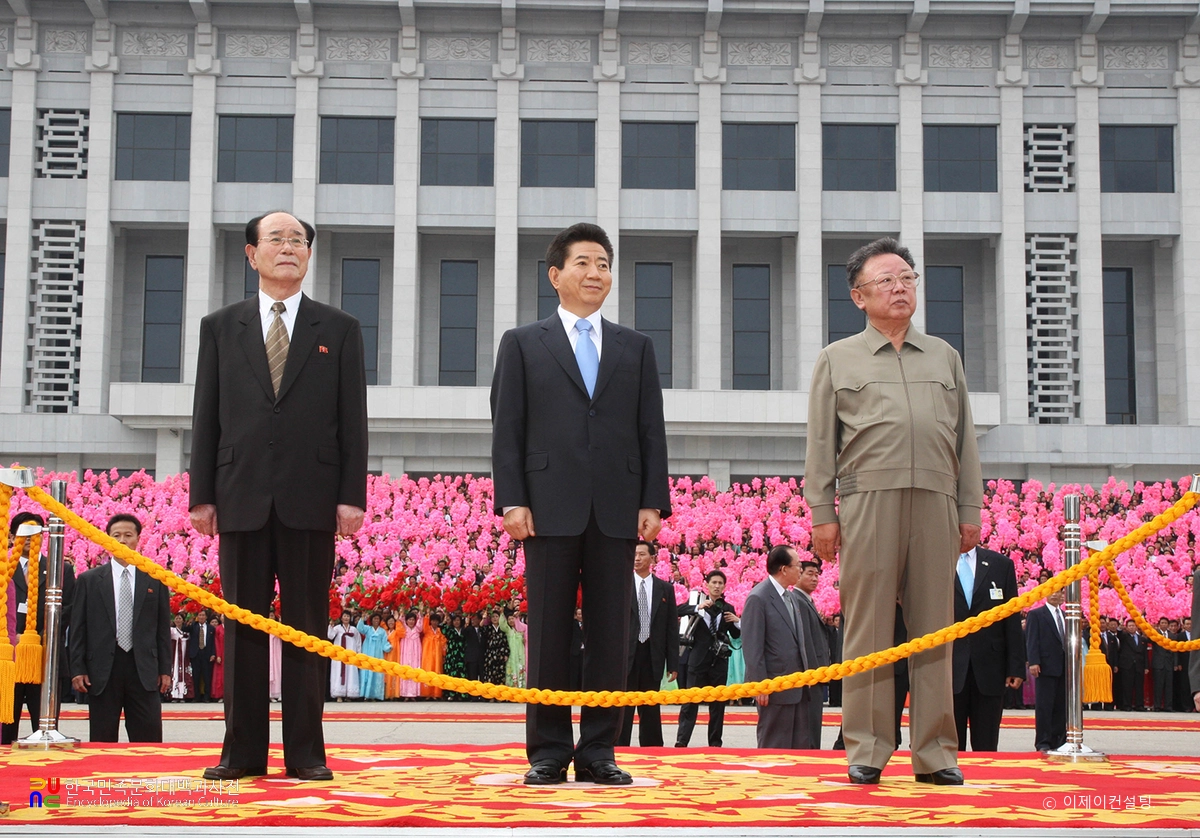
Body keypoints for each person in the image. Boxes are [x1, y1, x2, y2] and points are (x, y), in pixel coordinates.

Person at [490, 222, 671, 786]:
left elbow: (651, 429)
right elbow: (507, 428)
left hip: (617, 507)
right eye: (584, 263)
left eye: (604, 265)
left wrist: (653, 499)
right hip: (547, 508)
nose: (596, 274)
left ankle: (599, 749)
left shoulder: (635, 347)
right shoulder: (523, 343)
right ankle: (547, 750)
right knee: (548, 633)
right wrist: (512, 499)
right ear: (556, 275)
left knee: (611, 636)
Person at [190, 210, 368, 781]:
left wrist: (351, 496)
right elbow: (206, 416)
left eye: (299, 240)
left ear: (309, 254)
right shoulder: (221, 327)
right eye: (277, 239)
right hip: (239, 496)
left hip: (310, 499)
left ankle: (306, 754)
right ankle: (241, 753)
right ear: (252, 254)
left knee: (307, 628)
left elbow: (353, 420)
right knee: (242, 628)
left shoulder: (338, 328)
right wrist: (202, 494)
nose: (288, 247)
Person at [805, 237, 982, 786]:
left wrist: (969, 507)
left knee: (935, 629)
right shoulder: (837, 358)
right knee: (869, 627)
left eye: (907, 278)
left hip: (936, 500)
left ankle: (936, 752)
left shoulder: (944, 356)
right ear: (858, 296)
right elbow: (821, 444)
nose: (900, 288)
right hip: (867, 501)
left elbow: (965, 439)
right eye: (886, 280)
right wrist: (822, 511)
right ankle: (867, 746)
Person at [68, 514, 172, 743]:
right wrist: (77, 669)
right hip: (102, 670)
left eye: (128, 535)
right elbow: (78, 628)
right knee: (102, 739)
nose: (122, 540)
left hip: (143, 668)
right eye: (116, 535)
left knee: (148, 739)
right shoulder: (89, 580)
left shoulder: (155, 578)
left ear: (138, 539)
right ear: (107, 539)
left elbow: (162, 629)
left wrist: (165, 669)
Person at [3, 512, 75, 745]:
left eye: (34, 534)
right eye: (23, 534)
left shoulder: (60, 569)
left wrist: (40, 639)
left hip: (46, 657)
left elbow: (67, 609)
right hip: (10, 657)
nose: (29, 539)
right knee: (6, 725)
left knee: (45, 727)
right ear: (12, 537)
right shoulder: (4, 569)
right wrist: (13, 638)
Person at [952, 546, 1024, 751]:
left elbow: (1012, 619)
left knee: (986, 743)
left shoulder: (1000, 565)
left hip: (990, 667)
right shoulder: (936, 562)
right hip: (948, 666)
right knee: (950, 744)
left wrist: (1015, 666)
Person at [741, 545, 811, 749]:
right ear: (783, 569)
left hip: (797, 684)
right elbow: (752, 647)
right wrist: (760, 684)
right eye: (797, 565)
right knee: (774, 746)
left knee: (798, 748)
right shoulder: (759, 598)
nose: (800, 569)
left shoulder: (791, 597)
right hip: (774, 687)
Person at [617, 541, 679, 747]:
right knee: (624, 704)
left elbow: (671, 627)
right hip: (627, 654)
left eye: (642, 554)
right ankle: (619, 746)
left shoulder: (665, 589)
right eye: (634, 554)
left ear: (652, 559)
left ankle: (652, 747)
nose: (637, 558)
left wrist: (673, 663)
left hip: (653, 654)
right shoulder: (622, 586)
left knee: (650, 705)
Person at [675, 570, 741, 748]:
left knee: (718, 705)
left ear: (724, 586)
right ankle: (682, 741)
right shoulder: (697, 603)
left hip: (719, 661)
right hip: (697, 661)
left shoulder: (728, 608)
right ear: (707, 585)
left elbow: (736, 635)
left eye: (720, 583)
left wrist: (737, 621)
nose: (717, 586)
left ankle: (715, 743)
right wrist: (697, 608)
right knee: (690, 702)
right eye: (714, 583)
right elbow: (677, 610)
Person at [794, 559, 831, 748]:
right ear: (798, 575)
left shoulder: (807, 601)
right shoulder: (798, 601)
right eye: (810, 573)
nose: (815, 578)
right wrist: (811, 673)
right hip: (810, 675)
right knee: (809, 727)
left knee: (814, 724)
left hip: (817, 674)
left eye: (817, 575)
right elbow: (805, 642)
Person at [1026, 590, 1068, 752]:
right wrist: (1034, 661)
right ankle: (1043, 741)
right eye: (1052, 592)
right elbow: (1032, 639)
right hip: (1045, 666)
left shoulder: (1066, 616)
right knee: (1045, 706)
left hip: (1064, 667)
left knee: (1061, 706)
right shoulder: (1036, 614)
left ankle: (1059, 740)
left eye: (1059, 592)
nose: (1056, 595)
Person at [358, 613, 392, 701]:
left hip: (378, 654)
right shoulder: (368, 629)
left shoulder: (382, 631)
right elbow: (360, 628)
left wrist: (389, 647)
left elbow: (384, 642)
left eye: (377, 619)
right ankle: (365, 694)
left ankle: (375, 695)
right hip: (367, 652)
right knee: (366, 671)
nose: (376, 620)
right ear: (371, 620)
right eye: (374, 618)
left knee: (377, 672)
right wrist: (362, 618)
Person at [328, 611, 361, 701]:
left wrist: (358, 653)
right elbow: (330, 636)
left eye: (348, 616)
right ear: (341, 618)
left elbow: (358, 642)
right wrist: (331, 625)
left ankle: (349, 695)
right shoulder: (337, 628)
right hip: (339, 655)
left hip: (351, 654)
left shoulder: (353, 629)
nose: (346, 618)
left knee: (351, 673)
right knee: (339, 673)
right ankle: (339, 695)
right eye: (344, 616)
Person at [1117, 619, 1146, 711]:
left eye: (1133, 626)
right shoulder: (1124, 637)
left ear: (1136, 627)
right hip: (1127, 665)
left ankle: (1139, 705)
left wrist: (1146, 666)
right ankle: (1127, 705)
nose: (1131, 627)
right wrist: (1120, 627)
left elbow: (1144, 653)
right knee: (1127, 686)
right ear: (1126, 627)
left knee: (1139, 686)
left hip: (1139, 665)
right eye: (1129, 626)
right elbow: (1119, 634)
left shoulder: (1141, 639)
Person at [420, 611, 449, 698]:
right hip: (427, 655)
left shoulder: (440, 631)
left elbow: (443, 643)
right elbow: (424, 625)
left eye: (436, 621)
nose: (434, 622)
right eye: (433, 620)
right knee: (428, 671)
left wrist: (444, 654)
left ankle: (435, 693)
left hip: (437, 655)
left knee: (436, 671)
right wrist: (426, 614)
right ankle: (427, 693)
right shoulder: (427, 630)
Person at [396, 611, 425, 699]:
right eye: (409, 619)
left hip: (415, 652)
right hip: (405, 652)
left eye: (413, 620)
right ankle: (405, 693)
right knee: (405, 668)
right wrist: (402, 611)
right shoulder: (404, 628)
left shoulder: (417, 629)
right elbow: (400, 620)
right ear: (406, 621)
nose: (411, 621)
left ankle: (414, 694)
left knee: (415, 669)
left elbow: (421, 621)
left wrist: (421, 612)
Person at [188, 610, 214, 702]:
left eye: (203, 615)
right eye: (200, 615)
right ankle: (197, 696)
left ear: (206, 617)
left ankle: (207, 696)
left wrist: (213, 654)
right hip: (196, 654)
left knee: (207, 676)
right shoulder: (193, 626)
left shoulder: (211, 628)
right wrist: (190, 620)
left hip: (207, 654)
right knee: (196, 676)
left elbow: (213, 642)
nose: (201, 617)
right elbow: (184, 628)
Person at [1150, 617, 1174, 711]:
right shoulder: (1155, 634)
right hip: (1158, 664)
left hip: (1169, 664)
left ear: (1168, 625)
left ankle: (1168, 706)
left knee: (1169, 687)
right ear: (1159, 624)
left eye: (1165, 623)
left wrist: (1175, 664)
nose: (1164, 624)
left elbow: (1175, 651)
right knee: (1158, 686)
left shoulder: (1172, 635)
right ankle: (1157, 706)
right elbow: (1148, 639)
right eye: (1162, 623)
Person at [169, 614, 194, 701]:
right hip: (175, 656)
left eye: (180, 618)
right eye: (176, 618)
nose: (178, 620)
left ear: (183, 620)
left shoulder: (187, 631)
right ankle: (174, 694)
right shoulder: (172, 630)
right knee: (175, 673)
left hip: (184, 656)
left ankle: (183, 694)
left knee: (184, 673)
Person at [443, 614, 467, 700]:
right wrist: (446, 621)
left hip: (461, 655)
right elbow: (443, 628)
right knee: (451, 674)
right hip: (452, 655)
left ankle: (461, 694)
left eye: (458, 620)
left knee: (461, 674)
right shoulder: (449, 630)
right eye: (455, 620)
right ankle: (451, 694)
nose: (456, 622)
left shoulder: (464, 630)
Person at [483, 611, 509, 687]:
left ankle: (500, 693)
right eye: (493, 617)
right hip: (490, 655)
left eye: (496, 616)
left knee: (500, 675)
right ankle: (490, 693)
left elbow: (505, 642)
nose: (495, 618)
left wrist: (506, 654)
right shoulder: (488, 628)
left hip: (500, 655)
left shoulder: (502, 629)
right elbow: (481, 630)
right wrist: (484, 618)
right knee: (490, 675)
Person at [384, 615, 404, 700]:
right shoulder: (385, 632)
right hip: (386, 654)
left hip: (395, 653)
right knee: (386, 673)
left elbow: (402, 633)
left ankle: (394, 693)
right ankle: (387, 694)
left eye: (392, 621)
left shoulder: (397, 632)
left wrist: (398, 620)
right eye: (389, 621)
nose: (391, 622)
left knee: (394, 672)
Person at [268, 606, 282, 702]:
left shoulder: (278, 627)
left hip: (277, 652)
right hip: (269, 652)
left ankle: (279, 693)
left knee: (278, 671)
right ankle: (270, 695)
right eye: (269, 616)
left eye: (272, 616)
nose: (271, 618)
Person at [209, 615, 226, 701]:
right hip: (221, 653)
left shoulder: (231, 629)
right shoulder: (218, 629)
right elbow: (216, 643)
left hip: (229, 652)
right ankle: (220, 695)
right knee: (220, 675)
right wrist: (218, 655)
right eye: (222, 616)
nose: (224, 618)